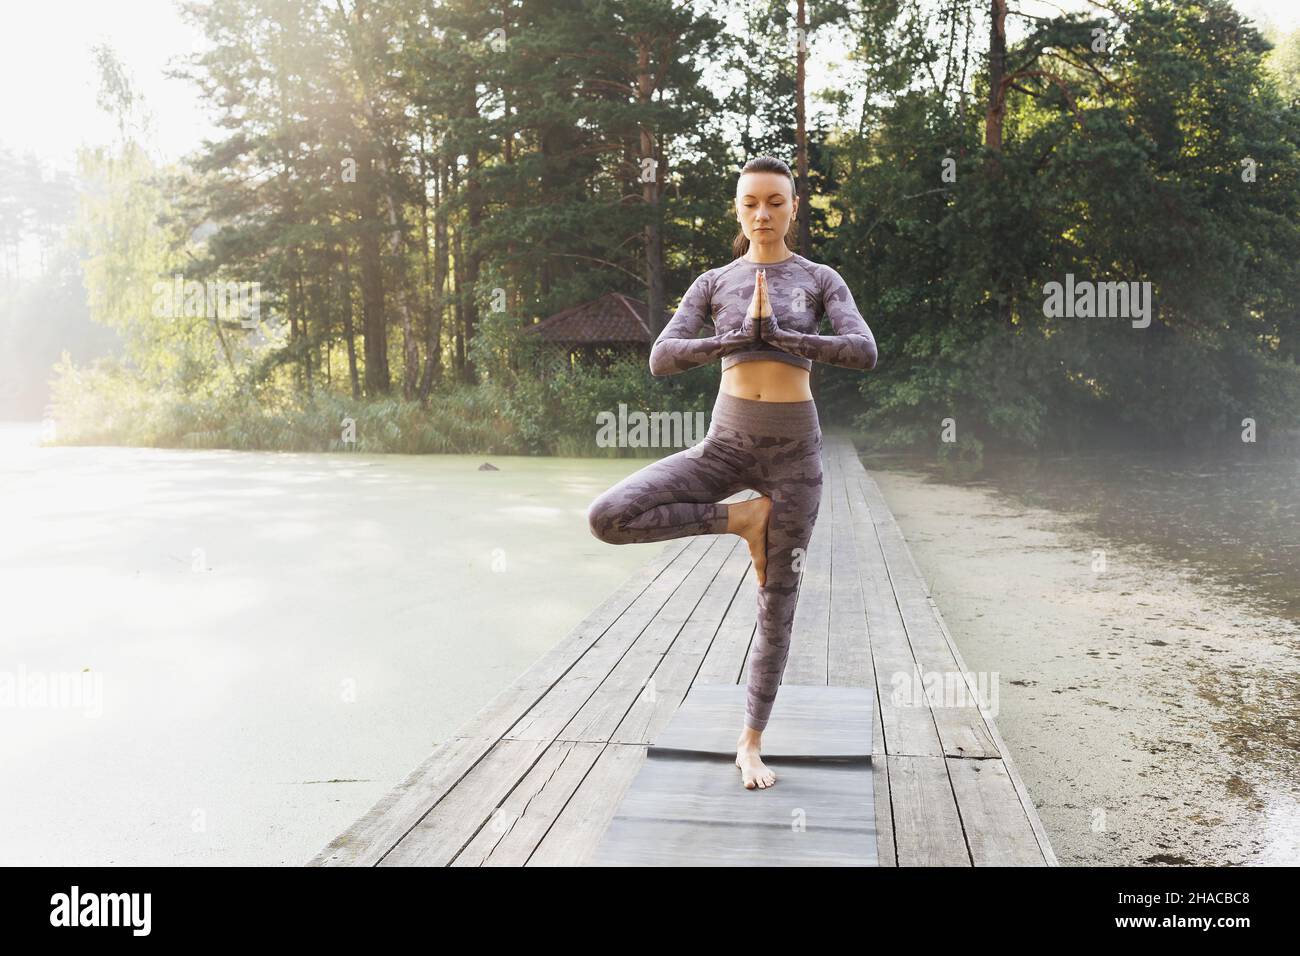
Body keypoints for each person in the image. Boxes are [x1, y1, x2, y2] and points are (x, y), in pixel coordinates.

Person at [586, 155, 878, 789]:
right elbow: (663, 357)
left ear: (794, 208)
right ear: (738, 211)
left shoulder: (820, 278)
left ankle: (750, 743)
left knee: (777, 602)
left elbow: (863, 350)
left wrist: (788, 339)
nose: (763, 213)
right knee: (607, 517)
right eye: (751, 203)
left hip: (795, 459)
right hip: (724, 448)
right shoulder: (714, 281)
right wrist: (734, 340)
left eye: (775, 201)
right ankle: (739, 519)